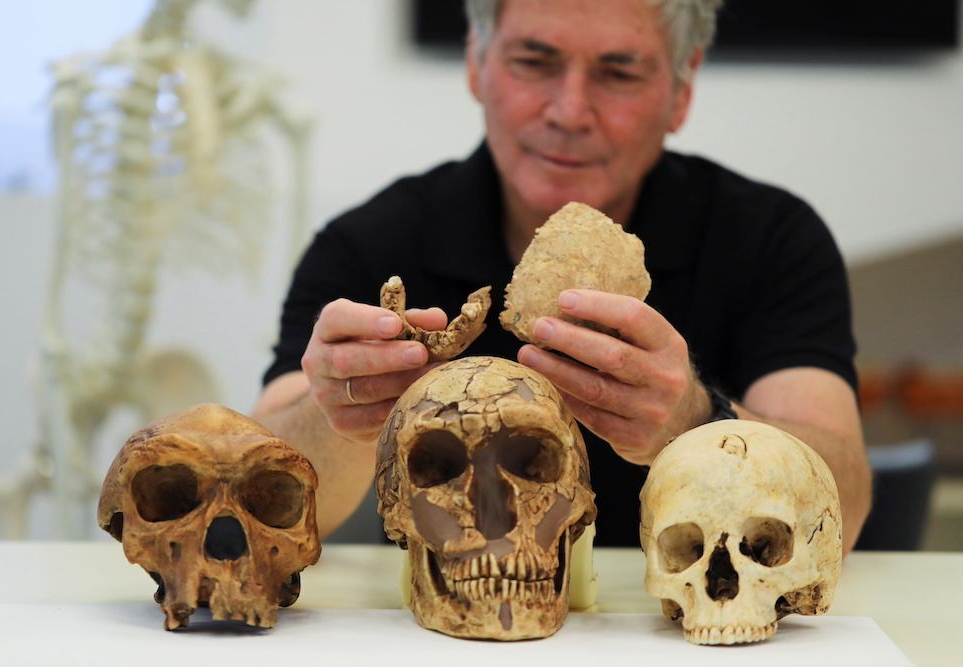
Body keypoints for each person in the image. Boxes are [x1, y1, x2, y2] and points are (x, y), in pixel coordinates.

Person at [253, 0, 871, 553]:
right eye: (534, 61)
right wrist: (337, 411)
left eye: (619, 73)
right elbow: (257, 495)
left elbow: (844, 497)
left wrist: (697, 420)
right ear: (477, 63)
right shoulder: (369, 245)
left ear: (681, 92)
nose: (570, 110)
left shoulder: (770, 238)